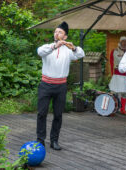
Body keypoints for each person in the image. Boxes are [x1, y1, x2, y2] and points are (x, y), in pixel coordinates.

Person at [36, 21, 85, 150]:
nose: (57, 33)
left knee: (58, 114)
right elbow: (39, 52)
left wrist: (73, 47)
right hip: (45, 85)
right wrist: (55, 46)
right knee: (42, 113)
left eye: (60, 32)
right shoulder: (48, 47)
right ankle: (40, 140)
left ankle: (54, 141)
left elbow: (81, 54)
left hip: (61, 87)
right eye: (56, 31)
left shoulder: (68, 51)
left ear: (65, 37)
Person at [108, 36, 126, 115]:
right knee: (114, 92)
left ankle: (122, 109)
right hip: (117, 75)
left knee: (125, 92)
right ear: (120, 42)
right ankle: (112, 109)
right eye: (123, 41)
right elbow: (111, 63)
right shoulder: (114, 51)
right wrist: (112, 74)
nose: (124, 43)